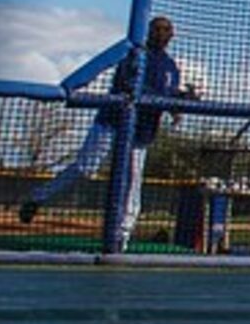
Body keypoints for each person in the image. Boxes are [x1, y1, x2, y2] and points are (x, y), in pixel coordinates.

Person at [19, 15, 197, 247]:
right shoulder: (135, 54)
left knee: (133, 182)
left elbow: (168, 94)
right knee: (85, 167)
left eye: (167, 31)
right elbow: (131, 86)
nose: (164, 34)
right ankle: (37, 199)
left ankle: (122, 236)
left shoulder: (170, 66)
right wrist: (169, 99)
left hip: (141, 132)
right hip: (112, 121)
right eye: (159, 29)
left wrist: (181, 101)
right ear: (150, 31)